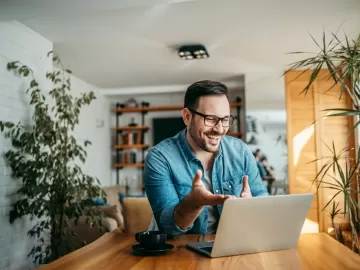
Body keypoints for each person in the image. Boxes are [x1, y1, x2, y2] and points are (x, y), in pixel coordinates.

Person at [144, 80, 269, 236]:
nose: (220, 129)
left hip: (233, 243)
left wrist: (252, 206)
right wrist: (193, 204)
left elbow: (263, 199)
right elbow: (167, 227)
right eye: (210, 119)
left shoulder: (240, 150)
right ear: (187, 117)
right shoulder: (159, 157)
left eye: (225, 119)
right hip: (180, 251)